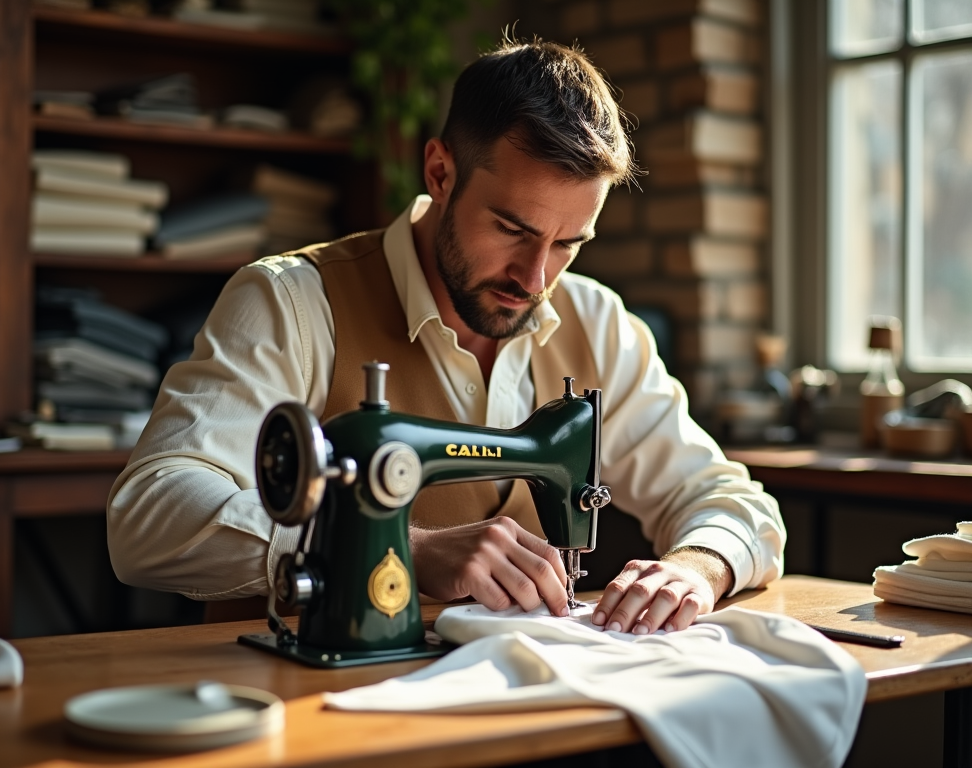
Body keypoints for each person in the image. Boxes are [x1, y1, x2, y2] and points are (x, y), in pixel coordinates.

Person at [107, 38, 786, 636]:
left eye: (568, 243)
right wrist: (395, 544)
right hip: (293, 704)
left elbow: (731, 502)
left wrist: (697, 569)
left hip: (489, 707)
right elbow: (148, 517)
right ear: (439, 172)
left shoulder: (598, 324)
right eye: (515, 230)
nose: (535, 275)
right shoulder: (291, 300)